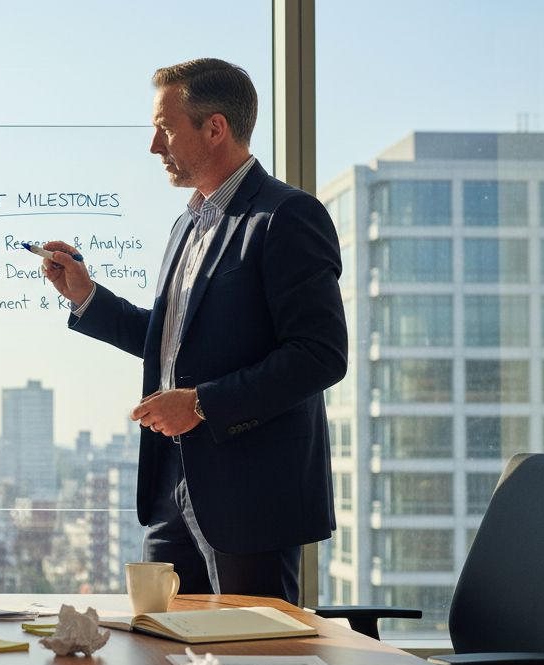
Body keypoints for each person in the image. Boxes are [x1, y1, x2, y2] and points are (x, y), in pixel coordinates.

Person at [41, 58, 348, 602]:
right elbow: (171, 347)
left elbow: (319, 356)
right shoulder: (188, 223)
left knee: (254, 663)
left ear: (214, 128)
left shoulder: (286, 217)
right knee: (161, 654)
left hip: (252, 500)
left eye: (165, 128)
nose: (154, 146)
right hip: (170, 490)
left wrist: (202, 404)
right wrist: (87, 297)